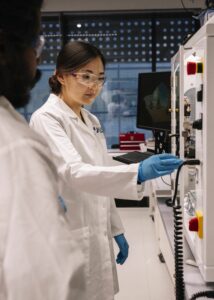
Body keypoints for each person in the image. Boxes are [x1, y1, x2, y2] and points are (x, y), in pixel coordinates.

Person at [30, 40, 182, 300]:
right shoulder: (47, 118)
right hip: (69, 235)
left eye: (99, 78)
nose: (94, 86)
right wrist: (139, 172)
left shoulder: (91, 119)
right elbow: (74, 173)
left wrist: (116, 228)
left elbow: (100, 173)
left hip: (94, 231)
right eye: (86, 76)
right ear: (61, 76)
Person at [0, 2, 85, 300]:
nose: (38, 55)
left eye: (98, 77)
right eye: (35, 42)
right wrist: (137, 171)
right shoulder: (15, 145)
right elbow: (51, 287)